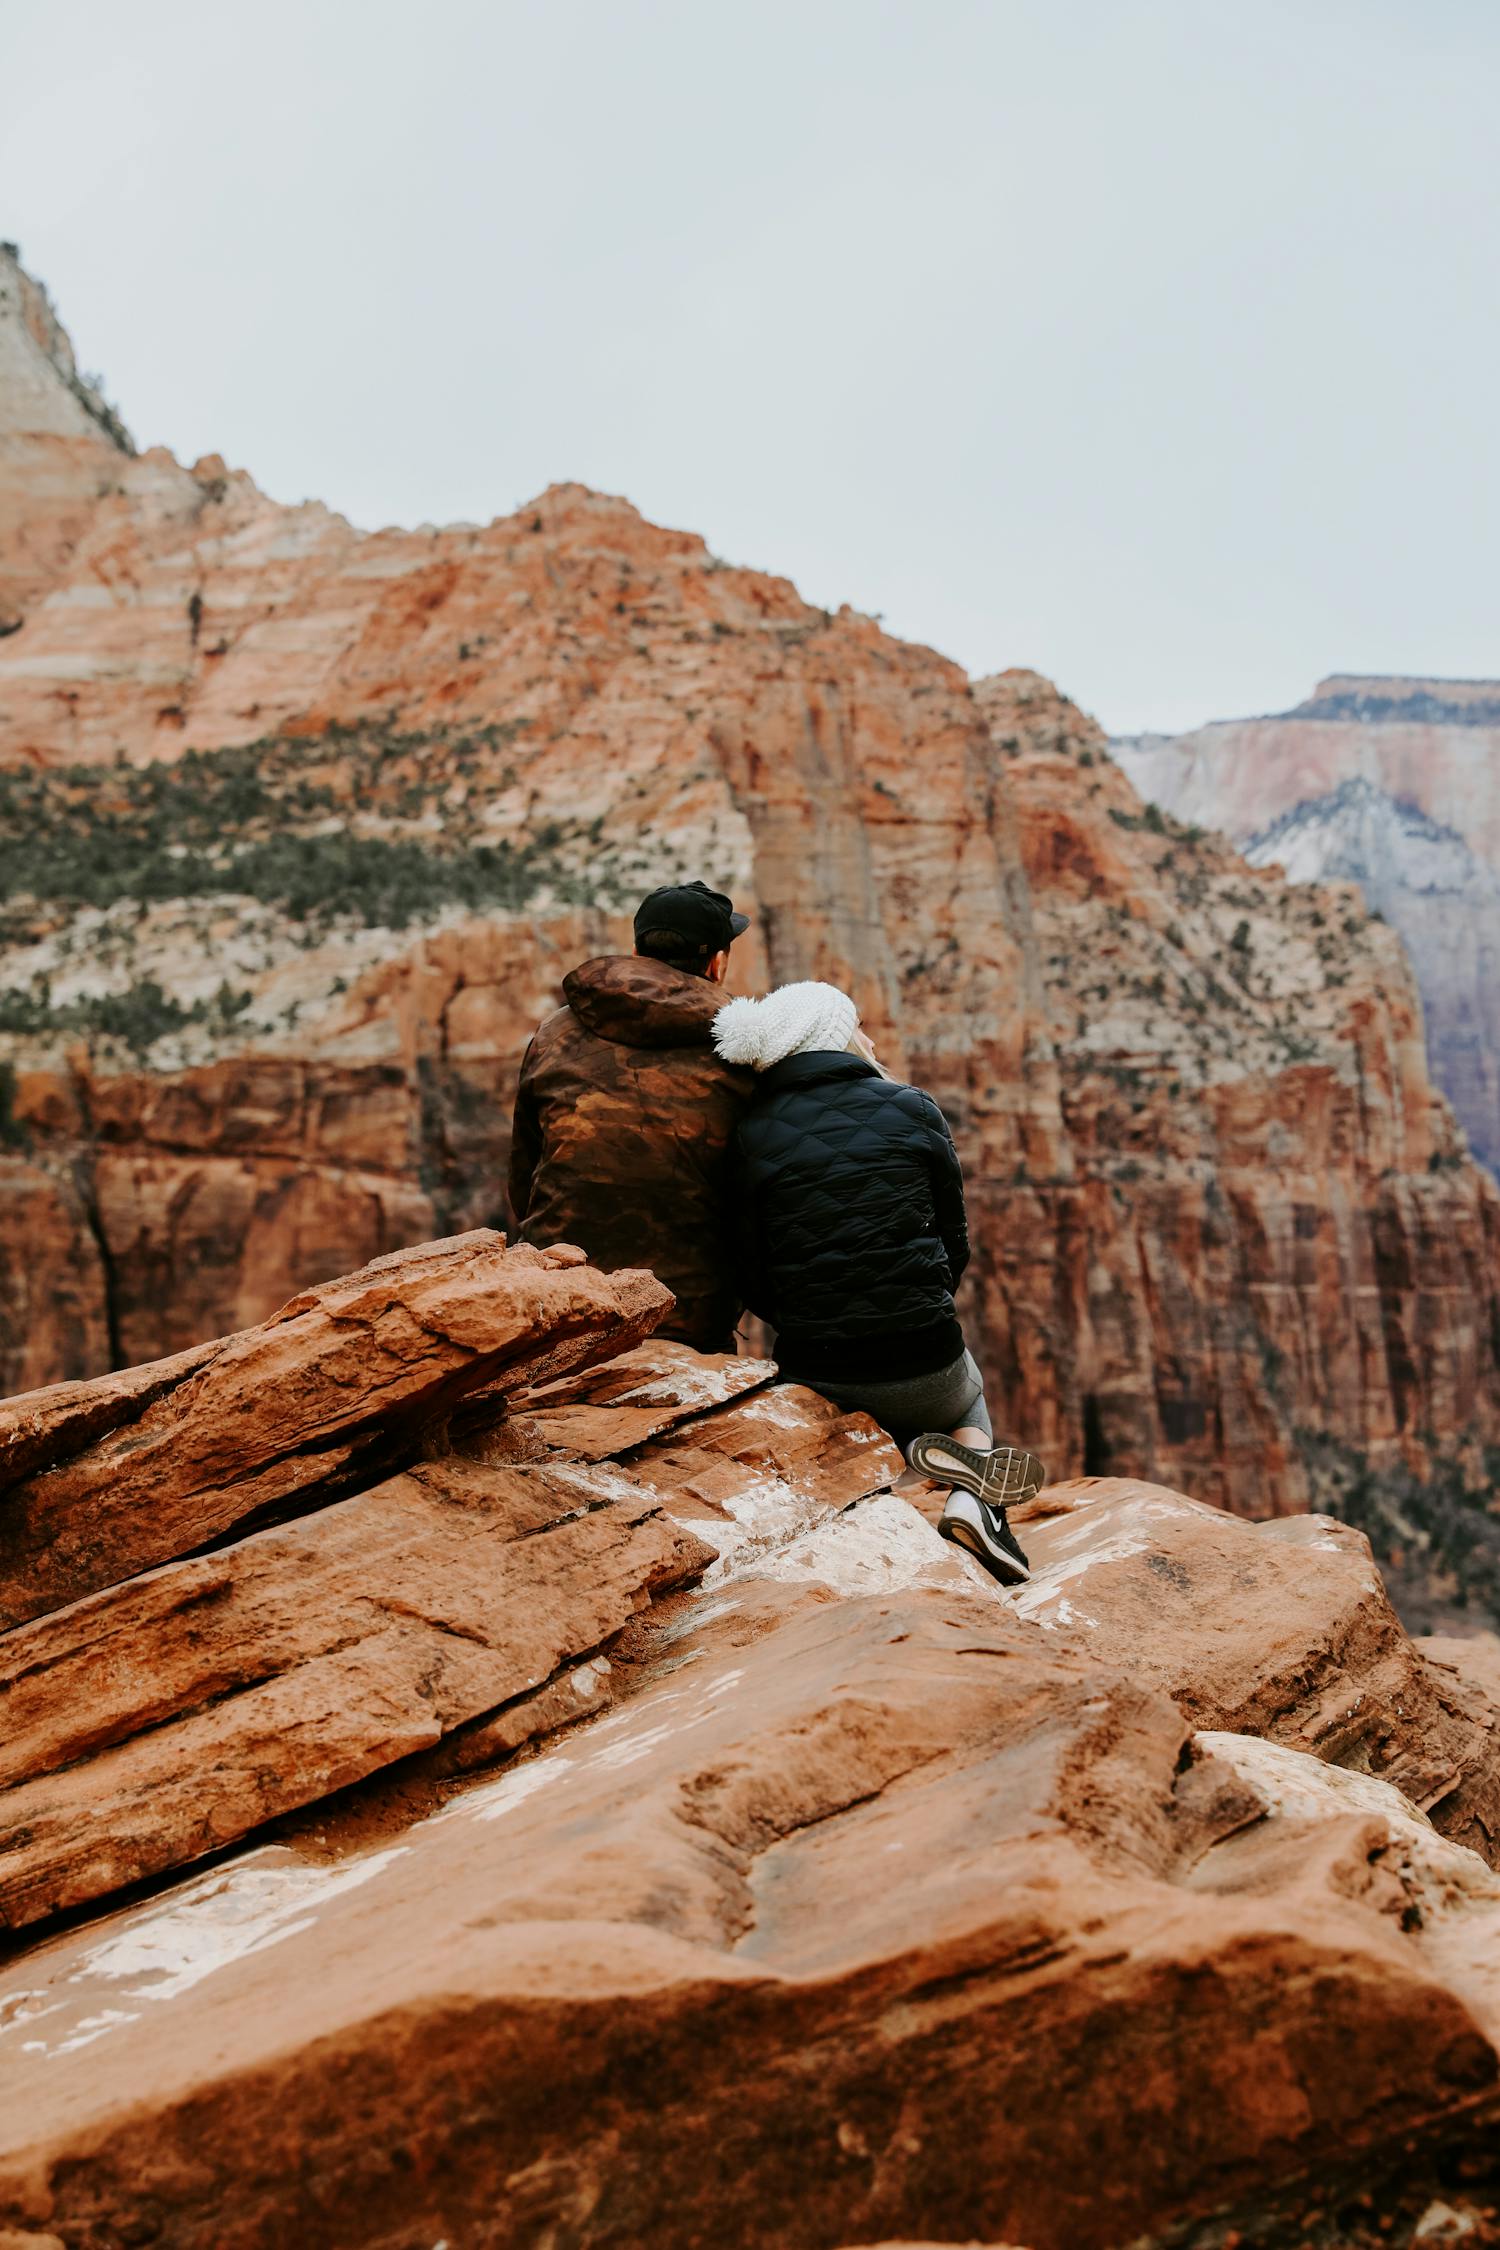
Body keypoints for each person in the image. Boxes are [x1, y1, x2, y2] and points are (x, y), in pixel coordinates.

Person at [712, 979, 1044, 1586]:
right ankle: (976, 1502)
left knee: (843, 1405)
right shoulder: (911, 1106)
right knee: (967, 1398)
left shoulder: (749, 1133)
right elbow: (955, 1238)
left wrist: (810, 1321)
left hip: (820, 1367)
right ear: (837, 1035)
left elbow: (749, 1268)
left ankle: (864, 1524)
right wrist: (923, 1299)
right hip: (923, 1351)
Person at [507, 881, 755, 1352]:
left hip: (559, 1300)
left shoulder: (555, 1031)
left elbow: (525, 1172)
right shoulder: (743, 1044)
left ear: (637, 950)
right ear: (717, 962)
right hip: (689, 1316)